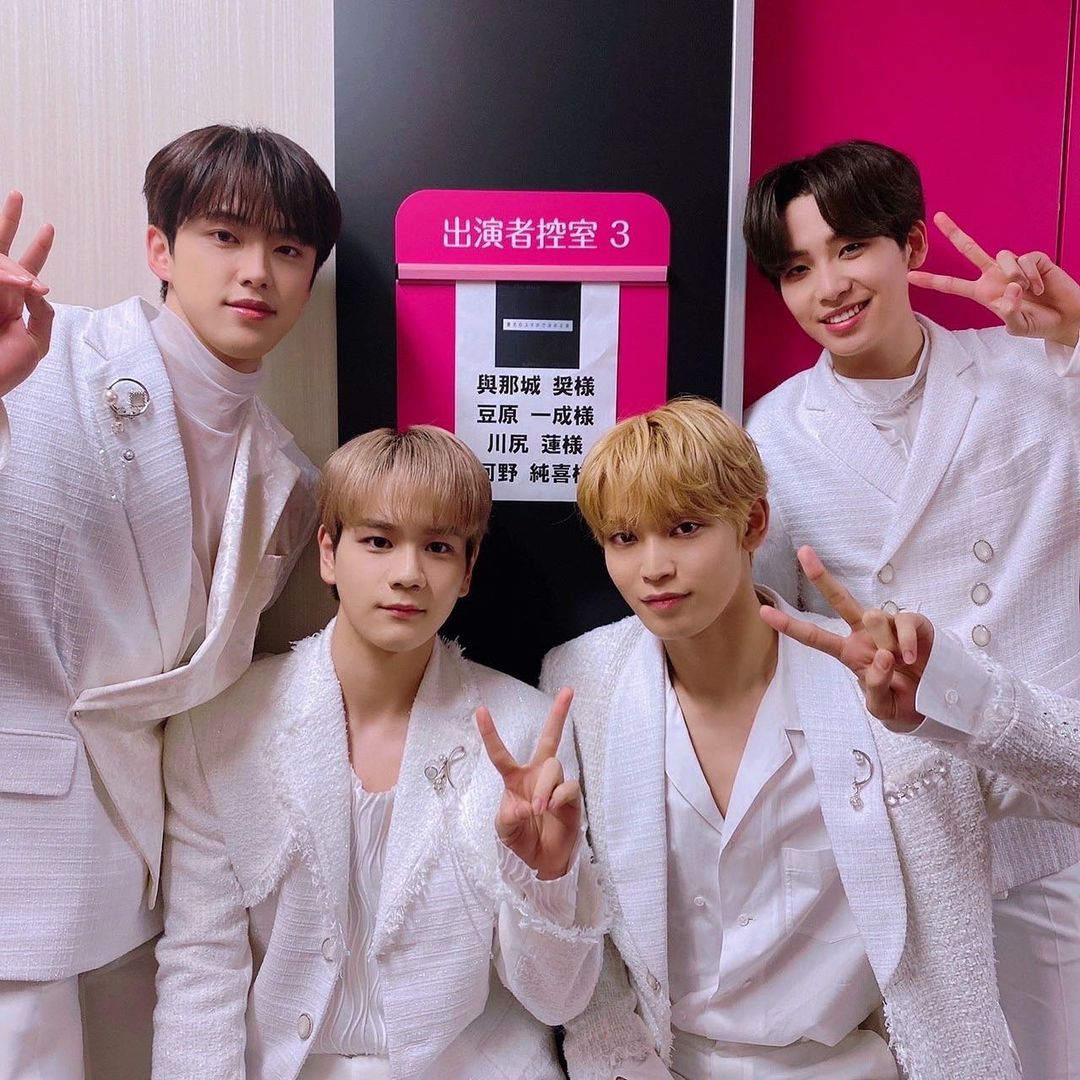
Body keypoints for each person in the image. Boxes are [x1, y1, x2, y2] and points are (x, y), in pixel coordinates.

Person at [542, 397, 1080, 1080]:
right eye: (624, 538)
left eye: (684, 528)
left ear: (752, 523)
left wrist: (956, 700)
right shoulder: (582, 680)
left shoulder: (878, 685)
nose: (654, 567)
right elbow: (592, 969)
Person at [0, 125, 341, 1078]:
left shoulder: (287, 481)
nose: (256, 271)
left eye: (288, 249)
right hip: (16, 841)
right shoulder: (43, 355)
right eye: (225, 236)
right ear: (160, 247)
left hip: (140, 869)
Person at [742, 139, 1080, 1079]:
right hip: (902, 819)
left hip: (1052, 795)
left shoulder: (1034, 367)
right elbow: (761, 627)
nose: (830, 287)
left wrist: (1077, 331)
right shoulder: (774, 434)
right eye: (797, 269)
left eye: (852, 247)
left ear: (914, 246)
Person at [153, 425, 605, 1079]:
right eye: (378, 541)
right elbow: (201, 962)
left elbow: (557, 1000)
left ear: (467, 571)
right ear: (328, 553)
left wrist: (549, 878)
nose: (408, 574)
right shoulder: (222, 724)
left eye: (438, 547)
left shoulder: (525, 731)